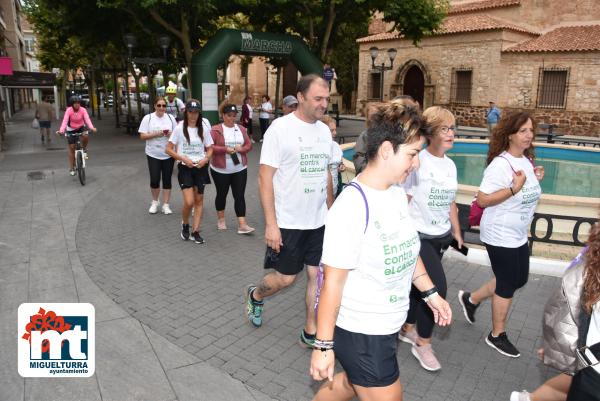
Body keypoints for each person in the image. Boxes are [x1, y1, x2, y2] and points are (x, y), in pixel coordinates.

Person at [309, 98, 452, 401]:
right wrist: (323, 347)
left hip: (387, 327)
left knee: (349, 384)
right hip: (362, 331)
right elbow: (332, 283)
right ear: (387, 150)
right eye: (413, 154)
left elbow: (408, 253)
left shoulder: (396, 194)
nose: (417, 163)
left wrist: (430, 293)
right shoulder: (352, 206)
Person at [245, 75, 334, 348]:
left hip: (319, 222)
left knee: (316, 277)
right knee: (285, 279)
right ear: (301, 97)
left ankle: (310, 329)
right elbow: (264, 178)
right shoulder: (279, 129)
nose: (324, 104)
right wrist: (271, 225)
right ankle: (256, 296)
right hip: (288, 223)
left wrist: (332, 212)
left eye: (327, 99)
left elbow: (326, 175)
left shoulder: (325, 131)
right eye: (318, 99)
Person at [458, 111, 545, 358]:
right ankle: (497, 335)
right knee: (507, 282)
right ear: (509, 136)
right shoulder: (500, 164)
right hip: (499, 233)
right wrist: (512, 189)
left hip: (517, 233)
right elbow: (483, 200)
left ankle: (471, 299)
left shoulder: (526, 160)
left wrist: (534, 178)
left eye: (530, 130)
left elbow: (524, 190)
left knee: (519, 278)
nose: (529, 135)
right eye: (523, 131)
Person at [398, 106, 463, 372]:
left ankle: (407, 328)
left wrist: (456, 231)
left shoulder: (450, 165)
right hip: (418, 236)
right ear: (431, 132)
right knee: (436, 288)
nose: (451, 133)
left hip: (440, 237)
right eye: (445, 129)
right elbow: (404, 199)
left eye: (453, 128)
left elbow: (451, 201)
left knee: (417, 288)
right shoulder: (418, 161)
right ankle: (423, 343)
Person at [511, 218, 600, 401]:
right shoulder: (587, 268)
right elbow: (569, 302)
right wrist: (557, 347)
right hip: (591, 371)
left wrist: (557, 347)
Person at [165, 99, 213, 244]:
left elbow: (210, 148)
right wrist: (182, 158)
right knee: (189, 201)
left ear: (199, 113)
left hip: (200, 167)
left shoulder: (203, 128)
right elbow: (168, 149)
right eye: (190, 112)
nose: (193, 115)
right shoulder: (179, 128)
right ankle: (185, 223)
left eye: (196, 112)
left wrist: (205, 159)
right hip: (185, 167)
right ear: (186, 112)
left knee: (199, 200)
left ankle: (195, 231)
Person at [209, 103, 254, 234]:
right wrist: (225, 149)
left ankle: (242, 224)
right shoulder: (216, 129)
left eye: (234, 116)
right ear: (223, 115)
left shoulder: (241, 129)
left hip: (240, 168)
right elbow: (210, 147)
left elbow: (249, 145)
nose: (231, 118)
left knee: (239, 196)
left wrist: (242, 149)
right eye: (229, 115)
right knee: (222, 195)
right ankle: (221, 220)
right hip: (220, 170)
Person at [138, 96, 178, 215]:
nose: (161, 108)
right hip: (153, 153)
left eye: (164, 106)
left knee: (167, 180)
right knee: (154, 179)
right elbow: (142, 136)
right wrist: (156, 134)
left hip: (168, 153)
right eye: (159, 105)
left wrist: (170, 134)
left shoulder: (171, 118)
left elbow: (177, 136)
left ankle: (166, 205)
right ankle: (155, 202)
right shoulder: (148, 118)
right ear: (155, 106)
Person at [58, 95, 97, 176]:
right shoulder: (69, 110)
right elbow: (65, 121)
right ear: (72, 104)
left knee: (85, 136)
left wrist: (92, 127)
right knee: (72, 148)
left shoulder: (83, 110)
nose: (77, 105)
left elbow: (87, 119)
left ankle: (84, 149)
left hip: (80, 127)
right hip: (71, 129)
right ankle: (72, 167)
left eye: (78, 103)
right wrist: (61, 131)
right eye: (75, 103)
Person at [321, 115, 345, 196]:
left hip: (335, 190)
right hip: (322, 192)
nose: (335, 133)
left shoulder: (336, 146)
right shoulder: (317, 148)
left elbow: (341, 162)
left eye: (335, 130)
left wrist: (341, 166)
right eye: (331, 131)